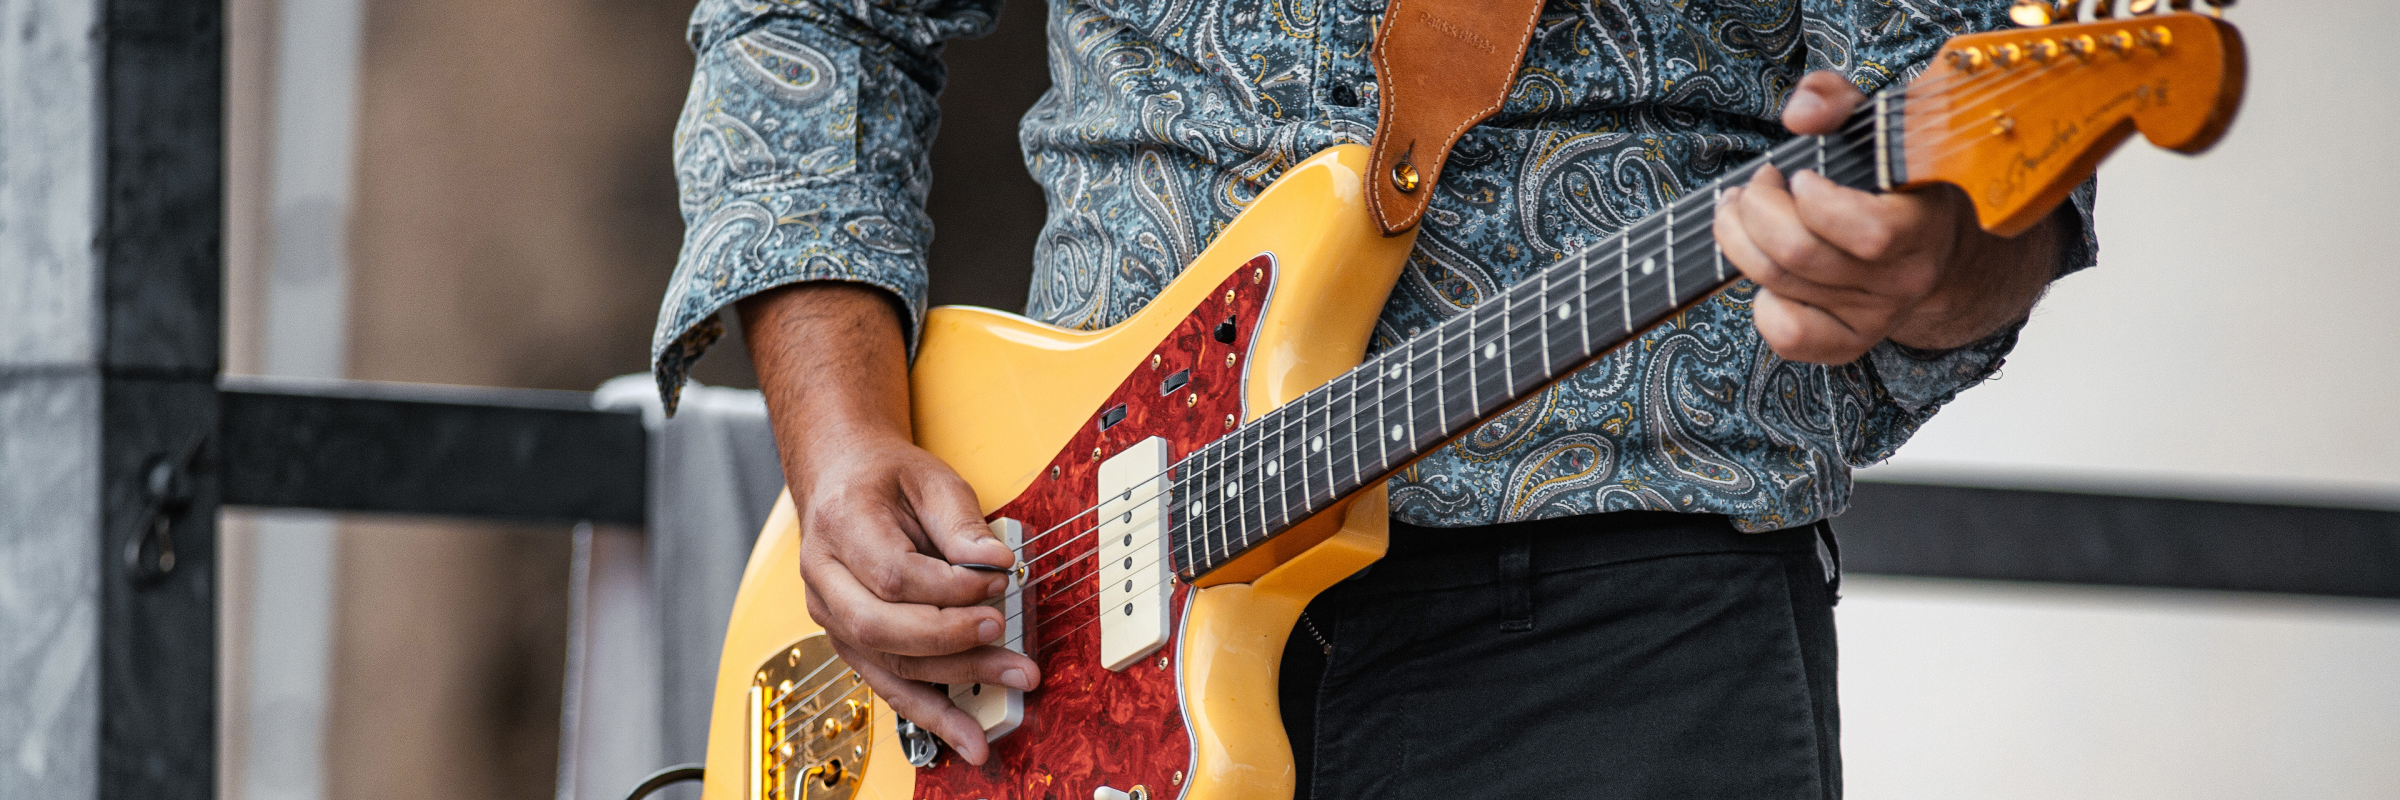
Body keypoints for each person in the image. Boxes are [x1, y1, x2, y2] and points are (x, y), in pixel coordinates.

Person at [654, 1, 2094, 796]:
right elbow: (809, 24)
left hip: (1618, 622)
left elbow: (1967, 132)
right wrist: (840, 441)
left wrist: (1938, 255)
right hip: (1054, 614)